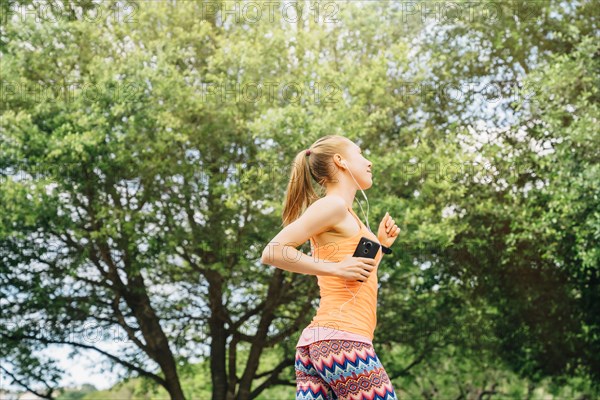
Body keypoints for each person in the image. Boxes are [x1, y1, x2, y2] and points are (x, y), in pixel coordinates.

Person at [261, 135, 401, 399]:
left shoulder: (347, 213)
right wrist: (335, 268)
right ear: (340, 161)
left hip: (320, 344)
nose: (368, 162)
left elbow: (356, 278)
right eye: (360, 154)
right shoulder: (333, 205)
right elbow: (273, 251)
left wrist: (380, 245)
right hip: (343, 341)